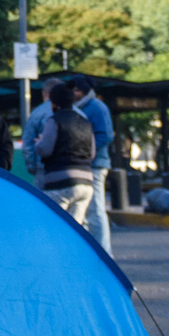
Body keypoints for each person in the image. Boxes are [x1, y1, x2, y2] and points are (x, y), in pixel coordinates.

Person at [33, 82, 96, 227]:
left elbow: (45, 149)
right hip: (86, 183)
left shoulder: (54, 120)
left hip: (60, 182)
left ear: (54, 103)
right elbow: (92, 153)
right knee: (76, 230)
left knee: (55, 226)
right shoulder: (85, 122)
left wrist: (39, 142)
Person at [70, 76, 115, 252]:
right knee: (88, 211)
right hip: (87, 164)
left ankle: (104, 253)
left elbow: (106, 135)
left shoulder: (95, 107)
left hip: (95, 164)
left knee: (96, 210)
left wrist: (86, 152)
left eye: (76, 90)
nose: (73, 94)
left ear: (83, 91)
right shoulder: (83, 106)